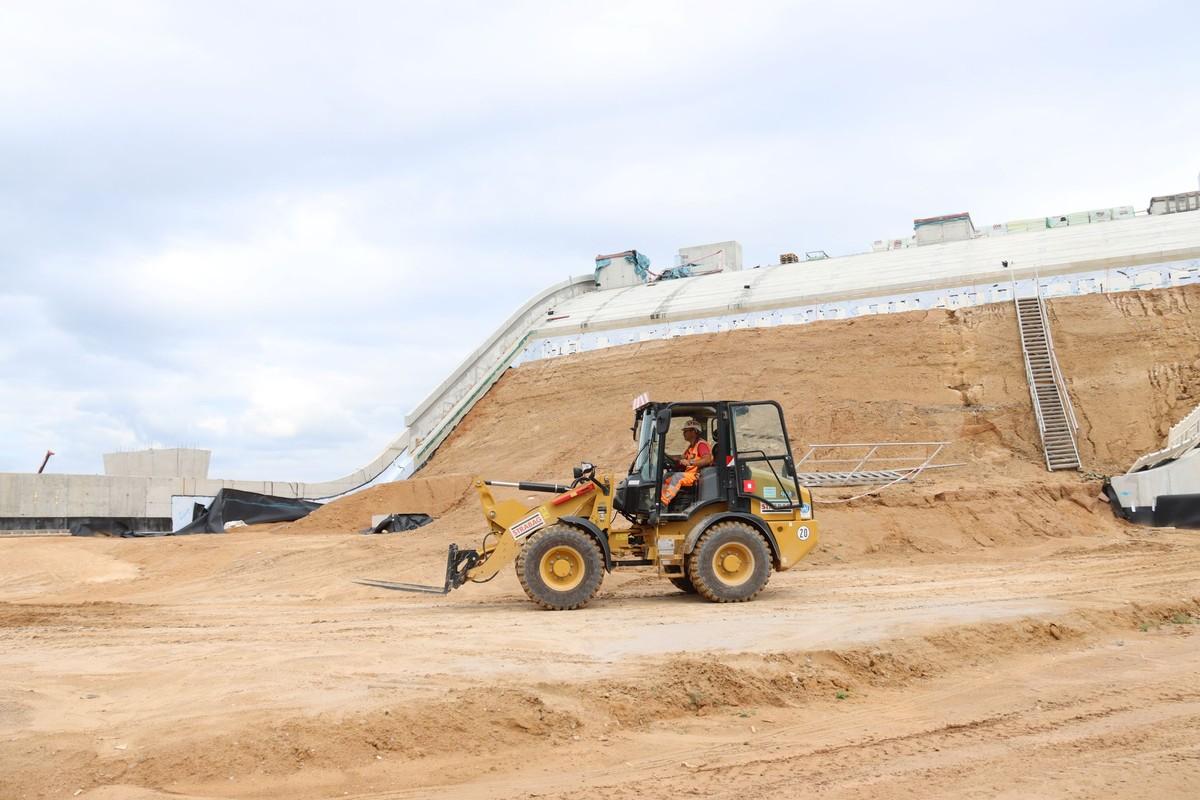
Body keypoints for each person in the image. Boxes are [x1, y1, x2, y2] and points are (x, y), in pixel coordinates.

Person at [660, 418, 713, 506]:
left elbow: (707, 459)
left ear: (694, 431)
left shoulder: (701, 445)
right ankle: (660, 500)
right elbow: (681, 458)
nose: (683, 433)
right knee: (668, 476)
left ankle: (664, 503)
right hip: (689, 474)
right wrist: (667, 456)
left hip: (697, 475)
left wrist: (690, 463)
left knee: (677, 477)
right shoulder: (691, 447)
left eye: (686, 431)